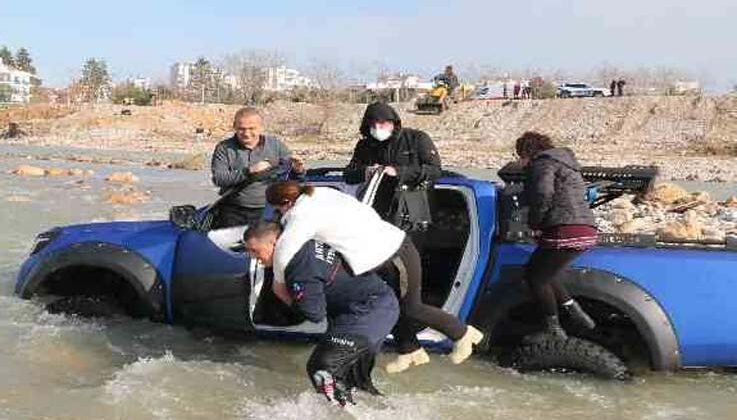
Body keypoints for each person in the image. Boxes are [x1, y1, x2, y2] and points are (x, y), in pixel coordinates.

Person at [266, 181, 483, 374]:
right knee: (391, 303)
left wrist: (278, 281)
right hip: (379, 256)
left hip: (395, 253)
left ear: (287, 202)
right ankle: (410, 350)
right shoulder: (319, 193)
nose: (280, 215)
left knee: (412, 307)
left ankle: (463, 334)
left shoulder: (301, 214)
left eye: (279, 210)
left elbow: (285, 249)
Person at [244, 221, 399, 406]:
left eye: (255, 251)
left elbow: (314, 313)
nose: (254, 258)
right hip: (375, 306)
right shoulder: (301, 239)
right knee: (356, 385)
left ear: (275, 243)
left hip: (368, 312)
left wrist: (283, 294)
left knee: (322, 368)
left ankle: (344, 414)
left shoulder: (299, 267)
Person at [515, 131, 598, 341]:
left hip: (564, 229)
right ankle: (574, 310)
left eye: (520, 155)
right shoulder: (567, 164)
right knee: (545, 273)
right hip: (585, 228)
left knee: (535, 277)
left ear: (527, 151)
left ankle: (552, 329)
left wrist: (535, 223)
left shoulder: (542, 164)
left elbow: (543, 193)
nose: (520, 161)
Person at [344, 102, 441, 227]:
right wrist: (365, 171)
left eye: (382, 123)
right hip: (377, 212)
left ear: (393, 122)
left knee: (407, 246)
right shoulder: (364, 146)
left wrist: (398, 172)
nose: (378, 128)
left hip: (413, 211)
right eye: (373, 124)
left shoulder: (416, 139)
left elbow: (434, 170)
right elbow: (348, 174)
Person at [210, 107, 304, 228]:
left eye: (251, 128)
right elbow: (219, 179)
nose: (246, 133)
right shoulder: (224, 148)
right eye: (241, 129)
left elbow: (292, 178)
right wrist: (249, 171)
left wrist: (298, 170)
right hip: (233, 211)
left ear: (261, 128)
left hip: (269, 212)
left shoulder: (275, 145)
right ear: (234, 127)